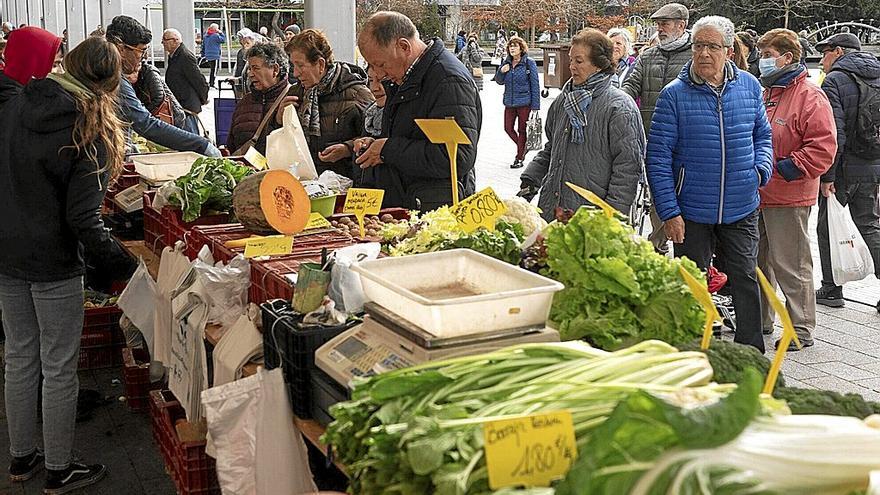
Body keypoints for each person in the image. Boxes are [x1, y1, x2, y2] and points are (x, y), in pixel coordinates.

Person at [0, 35, 137, 494]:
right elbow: (83, 218)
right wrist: (123, 264)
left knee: (19, 357)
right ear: (110, 82)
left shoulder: (15, 102)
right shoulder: (89, 126)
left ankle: (22, 459)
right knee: (59, 366)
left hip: (6, 253)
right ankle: (58, 469)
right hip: (54, 261)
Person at [646, 15, 774, 353]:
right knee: (692, 283)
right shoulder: (674, 95)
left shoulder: (749, 85)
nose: (703, 53)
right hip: (691, 211)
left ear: (729, 51)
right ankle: (695, 350)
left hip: (741, 204)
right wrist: (669, 211)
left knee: (746, 279)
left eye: (712, 47)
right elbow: (657, 157)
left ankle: (751, 353)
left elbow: (762, 135)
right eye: (698, 46)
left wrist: (761, 168)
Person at [756, 28, 837, 350]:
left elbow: (823, 147)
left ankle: (800, 328)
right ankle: (761, 319)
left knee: (792, 265)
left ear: (787, 57)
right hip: (759, 192)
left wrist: (788, 167)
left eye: (767, 55)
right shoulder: (767, 92)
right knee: (758, 263)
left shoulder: (809, 95)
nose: (761, 61)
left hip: (789, 194)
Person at [355, 11, 481, 211]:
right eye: (370, 65)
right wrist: (377, 145)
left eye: (380, 64)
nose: (378, 74)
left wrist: (388, 149)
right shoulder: (404, 77)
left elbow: (457, 157)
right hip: (408, 203)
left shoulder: (448, 80)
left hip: (434, 212)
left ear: (404, 46)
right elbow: (408, 135)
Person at [519, 29, 644, 222]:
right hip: (553, 211)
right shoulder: (563, 101)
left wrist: (613, 218)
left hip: (592, 218)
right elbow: (552, 148)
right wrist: (531, 179)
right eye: (571, 60)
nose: (572, 67)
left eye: (579, 61)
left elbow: (627, 169)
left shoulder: (620, 107)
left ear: (599, 64)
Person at [813, 33, 880, 310]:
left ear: (838, 51)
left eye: (825, 53)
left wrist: (827, 175)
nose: (822, 60)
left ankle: (831, 289)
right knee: (870, 224)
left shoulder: (835, 80)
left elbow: (834, 133)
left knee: (828, 226)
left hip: (842, 169)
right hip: (872, 164)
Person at [622, 2, 693, 255]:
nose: (660, 29)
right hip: (652, 138)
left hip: (686, 140)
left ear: (681, 25)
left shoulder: (695, 55)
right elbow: (630, 87)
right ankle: (657, 247)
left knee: (681, 194)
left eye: (665, 24)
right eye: (658, 24)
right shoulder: (648, 56)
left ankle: (683, 248)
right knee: (657, 194)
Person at [105, 16, 219, 156]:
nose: (144, 57)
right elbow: (146, 123)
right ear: (121, 48)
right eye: (141, 50)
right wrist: (201, 145)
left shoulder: (104, 72)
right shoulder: (113, 79)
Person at [281, 29, 373, 179]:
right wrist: (279, 119)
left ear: (321, 64)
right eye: (293, 66)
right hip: (303, 183)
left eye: (300, 65)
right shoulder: (295, 92)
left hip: (344, 185)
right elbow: (275, 143)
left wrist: (347, 148)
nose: (296, 73)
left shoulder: (358, 94)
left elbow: (374, 139)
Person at [227, 42, 294, 155]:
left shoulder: (291, 99)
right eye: (249, 69)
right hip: (245, 170)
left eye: (255, 68)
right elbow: (231, 145)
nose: (250, 74)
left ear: (275, 70)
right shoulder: (244, 102)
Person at [492, 36, 539, 169]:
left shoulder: (529, 63)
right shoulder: (506, 62)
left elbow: (535, 85)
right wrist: (501, 71)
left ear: (521, 48)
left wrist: (535, 106)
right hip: (509, 102)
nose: (512, 48)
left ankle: (519, 158)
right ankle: (523, 147)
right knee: (508, 128)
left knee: (522, 130)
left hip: (525, 102)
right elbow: (499, 81)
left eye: (515, 46)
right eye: (510, 46)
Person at [0, 26, 63, 111]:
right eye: (54, 65)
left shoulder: (11, 94)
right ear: (31, 65)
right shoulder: (22, 108)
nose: (61, 71)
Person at [163, 28, 209, 135]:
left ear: (175, 40)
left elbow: (198, 80)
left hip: (187, 106)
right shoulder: (174, 56)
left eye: (165, 40)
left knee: (190, 137)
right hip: (180, 105)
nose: (163, 43)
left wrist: (204, 98)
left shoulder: (184, 56)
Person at [131, 60, 186, 128]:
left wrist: (144, 112)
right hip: (158, 114)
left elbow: (159, 97)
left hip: (171, 114)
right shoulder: (137, 79)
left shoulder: (150, 73)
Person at [202, 23, 225, 87]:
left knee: (212, 69)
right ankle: (212, 83)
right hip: (215, 56)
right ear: (215, 29)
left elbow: (203, 46)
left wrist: (203, 54)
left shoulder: (205, 36)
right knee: (214, 70)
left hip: (208, 55)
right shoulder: (216, 36)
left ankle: (210, 82)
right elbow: (223, 40)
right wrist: (221, 33)